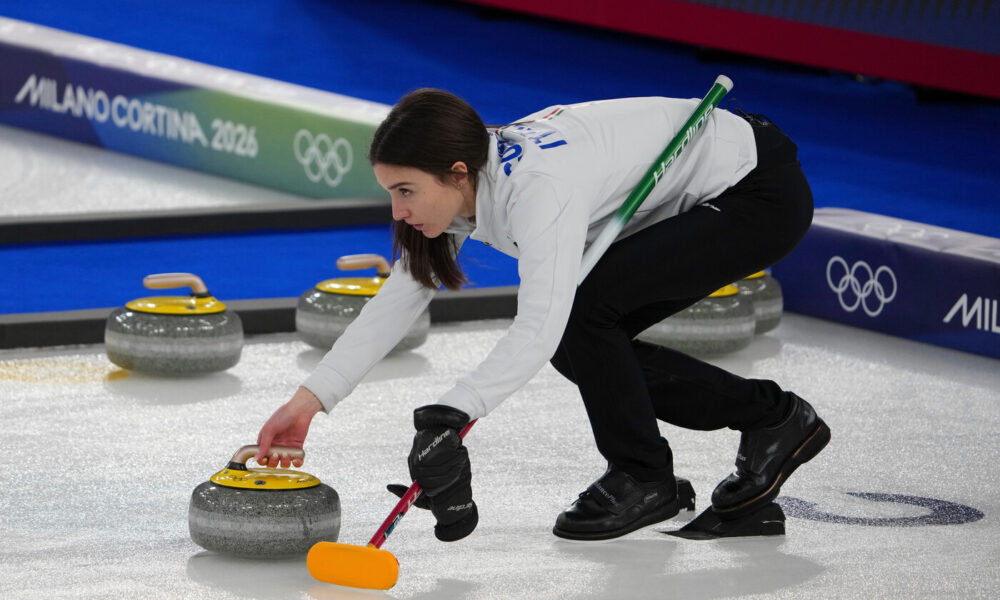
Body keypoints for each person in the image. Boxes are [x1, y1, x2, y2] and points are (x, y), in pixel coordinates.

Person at [255, 88, 830, 542]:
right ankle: (772, 422)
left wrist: (450, 416)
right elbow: (400, 298)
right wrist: (308, 402)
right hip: (709, 188)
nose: (398, 212)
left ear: (456, 172)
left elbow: (538, 324)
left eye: (405, 191)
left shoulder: (537, 190)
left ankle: (645, 476)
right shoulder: (468, 178)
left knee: (581, 320)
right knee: (584, 339)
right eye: (390, 193)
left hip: (756, 192)